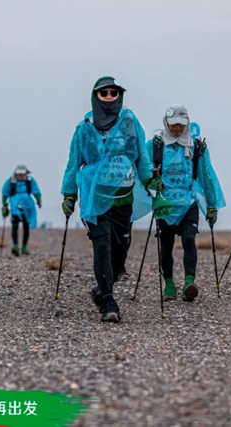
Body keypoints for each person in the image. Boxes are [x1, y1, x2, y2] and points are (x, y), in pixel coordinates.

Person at [61, 76, 153, 323]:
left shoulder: (131, 123)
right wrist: (69, 194)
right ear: (95, 97)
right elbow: (73, 163)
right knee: (102, 245)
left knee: (120, 252)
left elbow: (142, 158)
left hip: (123, 200)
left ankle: (101, 290)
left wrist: (151, 182)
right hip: (94, 200)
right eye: (104, 93)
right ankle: (109, 302)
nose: (110, 96)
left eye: (114, 92)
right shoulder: (84, 128)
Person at [146, 104, 225, 302]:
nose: (177, 128)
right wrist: (151, 186)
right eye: (173, 124)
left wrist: (212, 205)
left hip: (189, 202)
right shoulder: (155, 146)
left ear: (187, 123)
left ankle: (190, 282)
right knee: (166, 244)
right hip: (165, 204)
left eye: (181, 124)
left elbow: (207, 176)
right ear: (166, 123)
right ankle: (169, 285)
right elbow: (144, 171)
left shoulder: (195, 146)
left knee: (189, 240)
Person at [1, 165, 42, 256]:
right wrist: (4, 205)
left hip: (27, 208)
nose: (20, 176)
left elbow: (36, 191)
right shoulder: (10, 182)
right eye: (19, 174)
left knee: (26, 228)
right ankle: (15, 246)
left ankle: (24, 247)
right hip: (15, 208)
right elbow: (5, 193)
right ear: (16, 173)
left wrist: (38, 199)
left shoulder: (30, 181)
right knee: (14, 227)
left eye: (22, 174)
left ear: (26, 173)